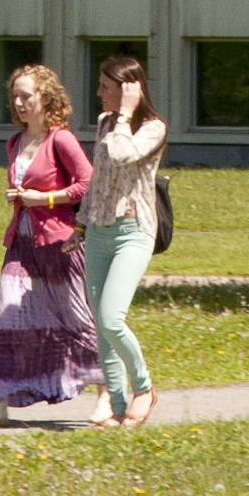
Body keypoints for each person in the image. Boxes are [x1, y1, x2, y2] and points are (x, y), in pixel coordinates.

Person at [0, 62, 100, 424]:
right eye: (15, 96)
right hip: (21, 242)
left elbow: (87, 184)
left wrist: (47, 199)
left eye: (27, 96)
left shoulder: (62, 139)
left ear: (46, 97)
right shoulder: (15, 141)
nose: (20, 102)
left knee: (77, 318)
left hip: (60, 243)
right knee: (10, 312)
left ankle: (107, 391)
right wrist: (18, 197)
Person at [84, 52, 166, 431]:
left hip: (134, 231)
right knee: (100, 327)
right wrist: (81, 224)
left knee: (112, 319)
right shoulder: (104, 123)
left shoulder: (152, 128)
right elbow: (98, 178)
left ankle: (144, 388)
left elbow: (120, 155)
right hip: (99, 231)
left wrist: (125, 115)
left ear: (128, 89)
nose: (99, 93)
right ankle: (117, 408)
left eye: (106, 87)